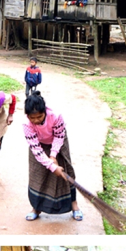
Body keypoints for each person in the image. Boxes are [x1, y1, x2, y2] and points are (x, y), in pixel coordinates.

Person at [22, 92, 83, 222]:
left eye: (39, 116)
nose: (36, 120)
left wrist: (53, 155)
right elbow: (35, 148)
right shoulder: (26, 124)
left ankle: (74, 205)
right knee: (37, 175)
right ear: (27, 116)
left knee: (67, 172)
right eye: (32, 118)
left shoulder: (55, 116)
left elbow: (59, 136)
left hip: (58, 142)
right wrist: (50, 165)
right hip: (39, 144)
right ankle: (36, 208)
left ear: (45, 111)